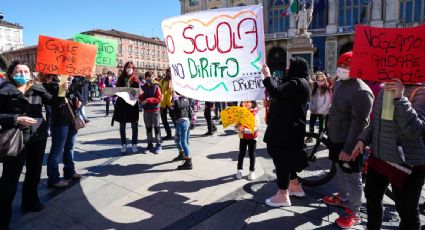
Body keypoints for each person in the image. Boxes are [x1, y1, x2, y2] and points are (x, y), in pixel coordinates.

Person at [351, 80, 425, 230]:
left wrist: (400, 98)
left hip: (407, 165)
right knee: (372, 198)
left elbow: (415, 130)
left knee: (407, 213)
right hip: (379, 158)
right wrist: (362, 140)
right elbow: (375, 123)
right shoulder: (385, 88)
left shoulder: (421, 92)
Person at [0, 61, 55, 229]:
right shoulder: (4, 91)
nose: (22, 74)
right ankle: (2, 219)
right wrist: (15, 119)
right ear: (11, 73)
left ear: (31, 73)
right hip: (15, 138)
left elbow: (55, 102)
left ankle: (30, 202)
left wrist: (63, 89)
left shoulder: (38, 88)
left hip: (38, 136)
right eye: (18, 71)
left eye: (25, 71)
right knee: (10, 179)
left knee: (34, 172)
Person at [323, 51, 374, 228]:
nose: (343, 69)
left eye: (347, 66)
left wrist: (349, 147)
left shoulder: (361, 91)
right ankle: (343, 197)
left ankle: (355, 211)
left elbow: (361, 123)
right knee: (339, 168)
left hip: (349, 141)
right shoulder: (339, 83)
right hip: (335, 137)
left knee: (353, 176)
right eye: (341, 65)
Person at [261, 57, 310, 207]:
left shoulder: (296, 82)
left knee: (281, 160)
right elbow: (284, 98)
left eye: (291, 65)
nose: (287, 68)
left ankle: (282, 194)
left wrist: (267, 76)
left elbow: (276, 92)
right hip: (290, 129)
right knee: (287, 158)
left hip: (285, 130)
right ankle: (295, 186)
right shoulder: (301, 83)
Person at [112, 62, 140, 154]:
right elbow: (116, 90)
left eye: (131, 68)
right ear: (125, 68)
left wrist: (137, 92)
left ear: (133, 69)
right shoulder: (121, 78)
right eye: (128, 67)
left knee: (134, 125)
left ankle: (134, 144)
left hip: (132, 104)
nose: (129, 69)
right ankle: (123, 144)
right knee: (122, 126)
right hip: (122, 104)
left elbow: (137, 92)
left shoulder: (136, 79)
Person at [235, 101, 260, 181]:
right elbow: (236, 126)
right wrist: (237, 128)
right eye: (243, 102)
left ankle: (252, 171)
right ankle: (239, 169)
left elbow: (257, 127)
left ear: (252, 104)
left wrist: (246, 130)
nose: (245, 103)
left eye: (248, 102)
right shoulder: (240, 114)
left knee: (252, 154)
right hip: (243, 137)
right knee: (241, 153)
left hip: (252, 137)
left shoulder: (255, 114)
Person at [140, 71, 162, 154]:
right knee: (148, 128)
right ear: (145, 78)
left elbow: (159, 99)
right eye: (148, 77)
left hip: (155, 110)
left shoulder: (156, 86)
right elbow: (141, 98)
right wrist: (140, 98)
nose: (150, 78)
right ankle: (149, 144)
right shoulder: (143, 87)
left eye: (152, 77)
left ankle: (159, 144)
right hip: (146, 111)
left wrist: (148, 100)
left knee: (157, 127)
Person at [306, 71, 332, 142]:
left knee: (322, 128)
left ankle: (320, 139)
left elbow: (327, 102)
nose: (320, 81)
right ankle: (310, 137)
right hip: (314, 111)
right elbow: (311, 99)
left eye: (321, 80)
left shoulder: (326, 89)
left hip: (323, 112)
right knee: (311, 125)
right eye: (318, 80)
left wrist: (320, 110)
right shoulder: (314, 88)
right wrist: (311, 108)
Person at [171, 92, 192, 170]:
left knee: (184, 142)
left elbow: (179, 106)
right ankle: (181, 154)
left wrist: (175, 99)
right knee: (177, 140)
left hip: (184, 122)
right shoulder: (180, 98)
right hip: (179, 122)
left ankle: (188, 161)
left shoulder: (185, 99)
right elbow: (176, 108)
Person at [159, 68, 175, 140]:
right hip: (163, 103)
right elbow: (159, 90)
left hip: (171, 103)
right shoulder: (162, 81)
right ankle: (169, 134)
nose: (169, 74)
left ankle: (179, 134)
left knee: (174, 118)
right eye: (168, 72)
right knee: (164, 119)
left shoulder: (174, 81)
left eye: (170, 72)